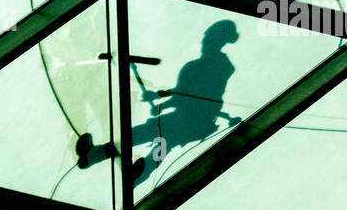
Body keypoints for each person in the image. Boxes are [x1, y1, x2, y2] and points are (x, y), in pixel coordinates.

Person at [75, 20, 241, 184]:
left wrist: (161, 103)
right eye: (205, 38)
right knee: (154, 140)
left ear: (218, 40)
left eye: (207, 38)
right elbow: (184, 95)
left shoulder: (218, 66)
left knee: (151, 139)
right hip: (191, 120)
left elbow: (190, 94)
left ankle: (121, 167)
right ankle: (128, 169)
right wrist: (160, 102)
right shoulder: (208, 66)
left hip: (192, 120)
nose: (203, 42)